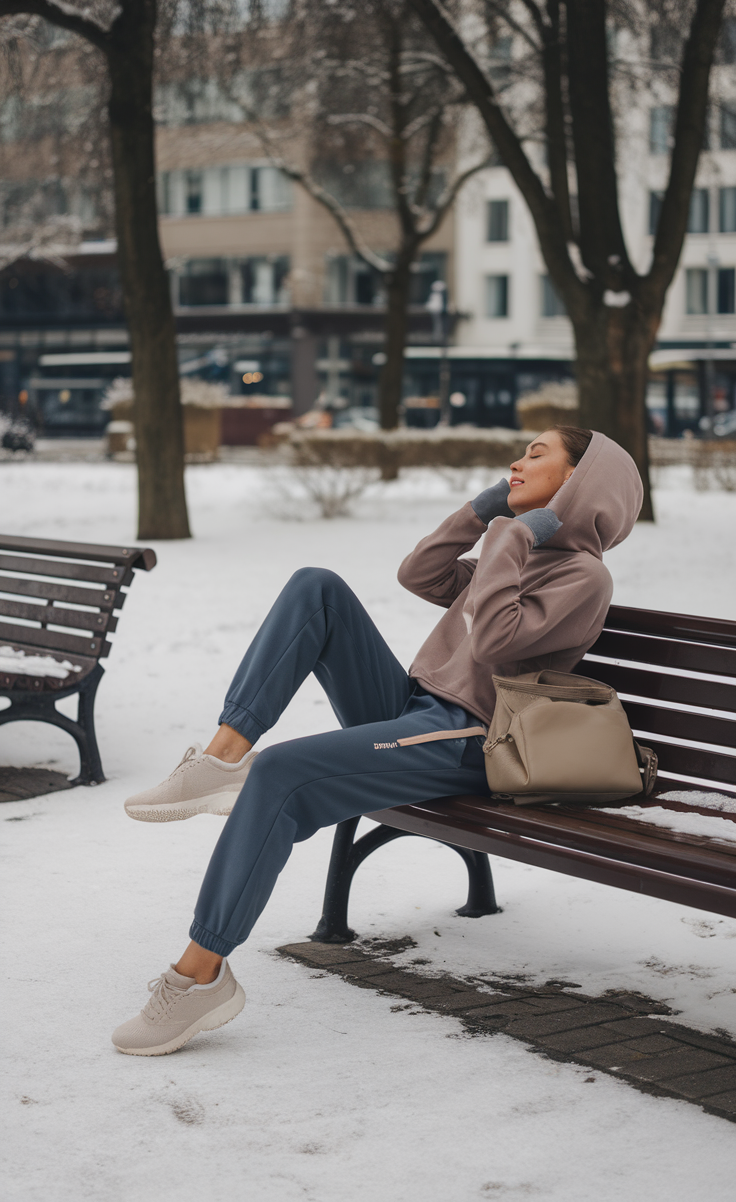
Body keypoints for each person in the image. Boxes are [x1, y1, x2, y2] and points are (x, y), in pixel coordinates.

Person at [112, 426, 642, 1056]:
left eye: (536, 455)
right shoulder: (514, 550)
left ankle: (200, 976)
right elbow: (419, 574)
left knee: (281, 774)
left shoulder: (582, 577)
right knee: (318, 587)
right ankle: (222, 754)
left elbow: (498, 641)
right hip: (415, 709)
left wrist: (511, 536)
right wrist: (481, 512)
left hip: (469, 737)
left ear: (580, 482)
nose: (515, 463)